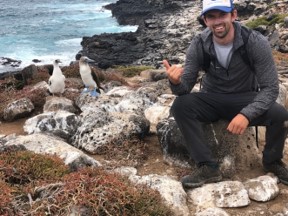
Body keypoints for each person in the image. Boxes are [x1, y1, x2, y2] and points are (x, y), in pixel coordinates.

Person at [163, 0, 288, 189]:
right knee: (181, 105)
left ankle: (272, 161)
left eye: (222, 15)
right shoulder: (199, 43)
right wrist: (175, 81)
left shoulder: (254, 41)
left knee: (281, 115)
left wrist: (246, 114)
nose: (217, 21)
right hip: (212, 98)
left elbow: (270, 88)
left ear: (234, 15)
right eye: (211, 17)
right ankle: (207, 167)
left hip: (245, 98)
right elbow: (184, 90)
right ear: (205, 20)